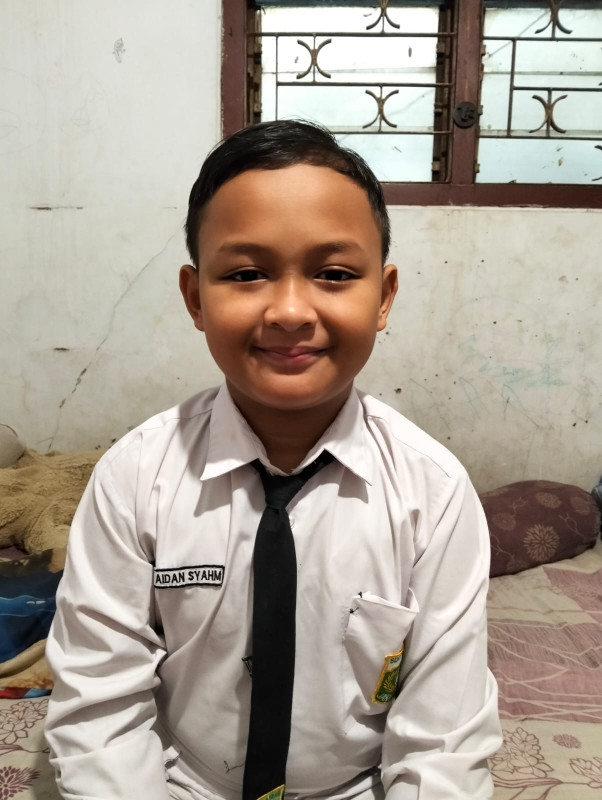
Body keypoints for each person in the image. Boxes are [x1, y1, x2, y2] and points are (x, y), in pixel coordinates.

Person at [45, 119, 502, 800]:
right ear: (196, 298)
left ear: (383, 297)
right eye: (247, 274)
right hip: (183, 783)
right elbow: (100, 709)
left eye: (334, 274)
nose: (290, 311)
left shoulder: (432, 494)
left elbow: (443, 742)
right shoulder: (135, 478)